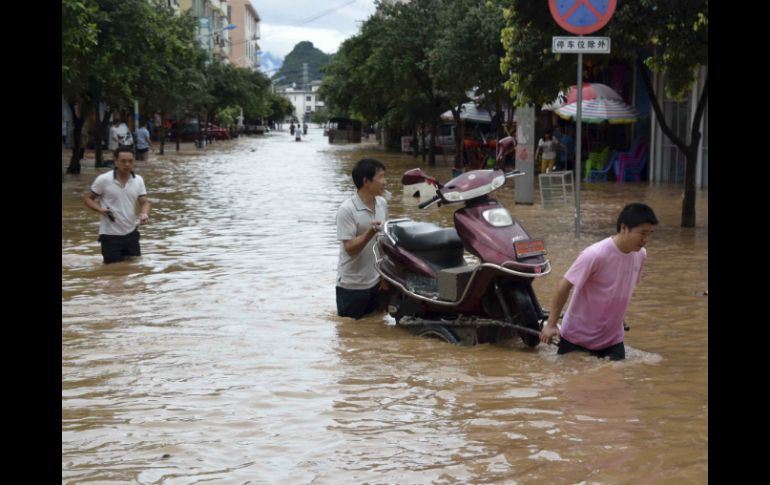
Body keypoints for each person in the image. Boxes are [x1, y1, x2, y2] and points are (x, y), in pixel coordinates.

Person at [539, 203, 659, 360]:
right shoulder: (595, 254)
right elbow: (564, 286)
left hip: (612, 339)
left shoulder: (640, 254)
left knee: (616, 382)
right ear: (624, 228)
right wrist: (551, 325)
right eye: (642, 233)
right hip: (577, 338)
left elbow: (622, 288)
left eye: (650, 234)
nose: (646, 239)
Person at [335, 158, 388, 319]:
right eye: (381, 177)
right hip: (352, 286)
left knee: (376, 328)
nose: (384, 182)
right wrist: (370, 232)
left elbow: (383, 241)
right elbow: (350, 249)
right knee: (350, 334)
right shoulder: (347, 209)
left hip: (376, 282)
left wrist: (384, 277)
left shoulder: (382, 203)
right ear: (366, 181)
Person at [83, 147, 150, 264]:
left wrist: (144, 213)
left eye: (130, 161)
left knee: (135, 271)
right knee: (113, 273)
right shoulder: (103, 179)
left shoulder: (138, 180)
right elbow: (87, 198)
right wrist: (100, 210)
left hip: (131, 234)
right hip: (110, 236)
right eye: (123, 161)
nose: (127, 164)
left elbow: (144, 202)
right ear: (115, 161)